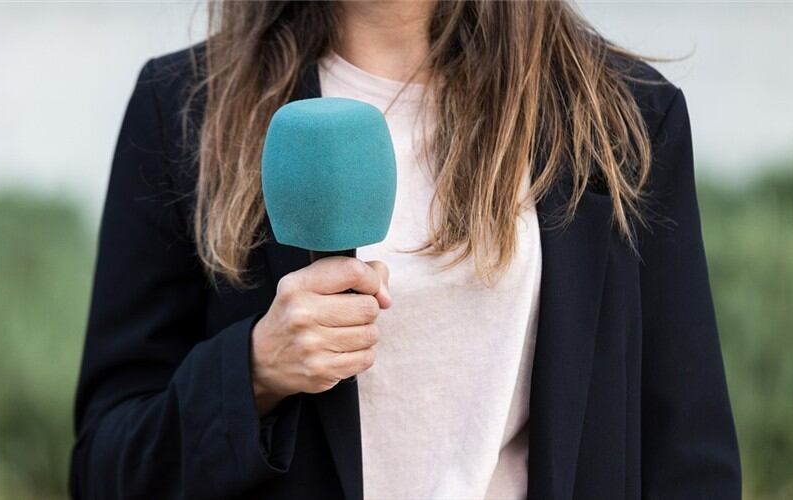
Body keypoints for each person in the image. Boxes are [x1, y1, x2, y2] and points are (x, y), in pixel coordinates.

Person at [70, 1, 741, 499]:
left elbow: (688, 454)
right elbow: (106, 465)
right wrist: (249, 376)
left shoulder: (617, 113)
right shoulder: (187, 110)